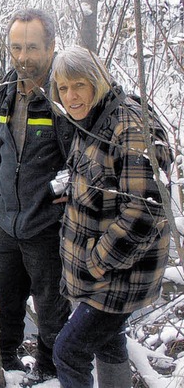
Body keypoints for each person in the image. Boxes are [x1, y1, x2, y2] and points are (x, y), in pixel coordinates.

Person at [50, 46, 172, 388]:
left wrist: (97, 261)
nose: (71, 96)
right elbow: (106, 181)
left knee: (68, 351)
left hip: (120, 274)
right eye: (63, 88)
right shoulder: (93, 120)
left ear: (97, 82)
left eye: (79, 85)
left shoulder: (128, 125)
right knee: (107, 341)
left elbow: (145, 210)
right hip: (107, 273)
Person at [0, 8, 73, 379]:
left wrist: (62, 200)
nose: (22, 57)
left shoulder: (64, 95)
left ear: (51, 47)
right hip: (5, 219)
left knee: (52, 308)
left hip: (47, 224)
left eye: (32, 48)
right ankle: (2, 366)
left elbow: (81, 158)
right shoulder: (3, 91)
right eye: (16, 47)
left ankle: (50, 373)